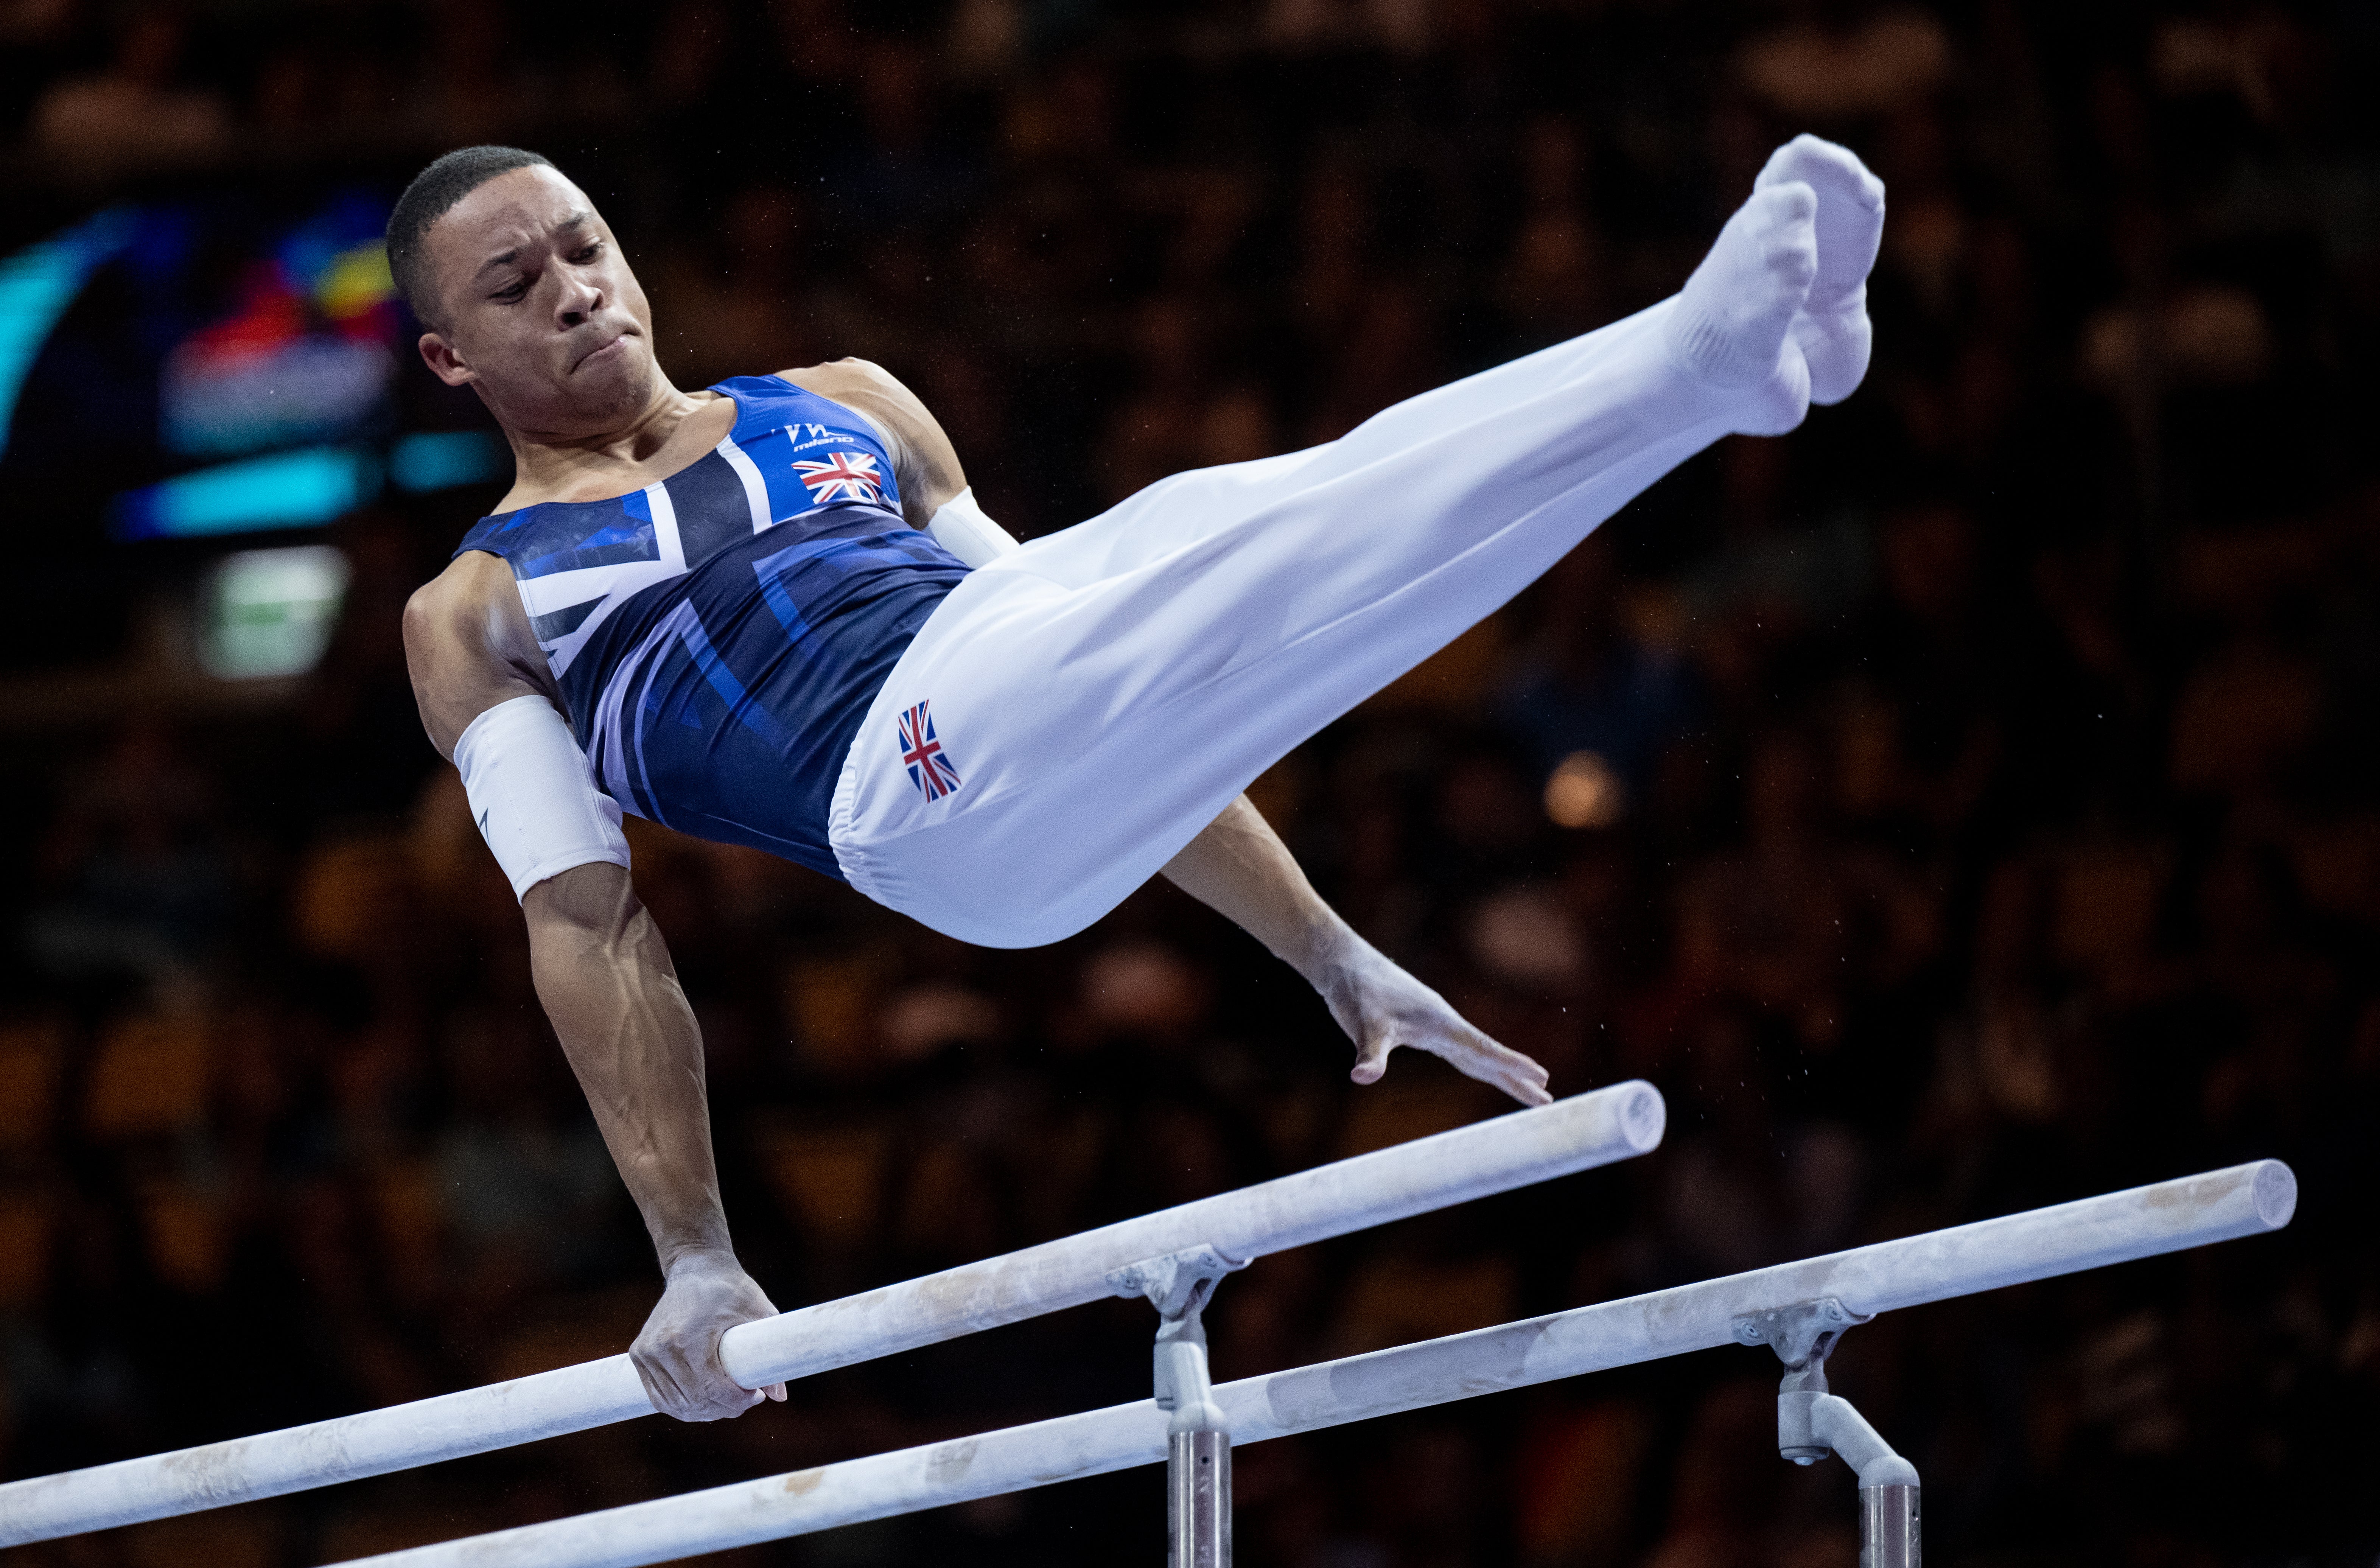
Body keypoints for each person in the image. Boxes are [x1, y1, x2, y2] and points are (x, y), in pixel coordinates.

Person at [394, 137, 1885, 1421]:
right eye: (515, 287)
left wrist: (1328, 948)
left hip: (1019, 710)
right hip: (909, 798)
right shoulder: (480, 608)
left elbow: (1113, 656)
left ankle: (1715, 379)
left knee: (1268, 537)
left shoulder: (844, 400)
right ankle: (1696, 357)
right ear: (450, 359)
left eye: (583, 248)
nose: (577, 290)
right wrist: (695, 1253)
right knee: (1216, 536)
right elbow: (589, 928)